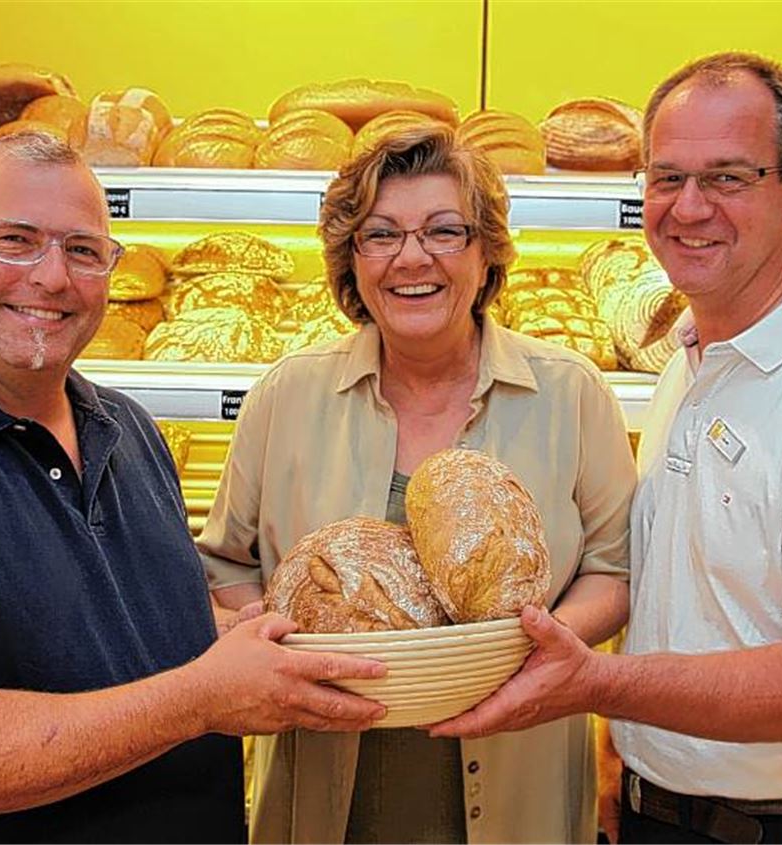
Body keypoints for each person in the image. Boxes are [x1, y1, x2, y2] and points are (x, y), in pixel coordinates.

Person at [0, 132, 390, 844]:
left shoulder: (128, 430)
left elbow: (123, 629)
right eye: (15, 240)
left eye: (83, 250)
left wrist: (252, 637)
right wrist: (202, 698)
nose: (53, 277)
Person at [431, 52, 782, 844]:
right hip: (656, 813)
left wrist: (599, 686)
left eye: (728, 179)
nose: (688, 208)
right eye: (666, 178)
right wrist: (622, 758)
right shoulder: (690, 362)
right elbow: (684, 602)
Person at [198, 123, 638, 844]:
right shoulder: (287, 394)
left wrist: (530, 648)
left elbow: (615, 567)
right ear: (351, 258)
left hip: (520, 788)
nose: (412, 258)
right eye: (381, 234)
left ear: (486, 250)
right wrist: (287, 647)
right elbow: (225, 565)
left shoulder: (571, 392)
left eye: (444, 231)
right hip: (325, 786)